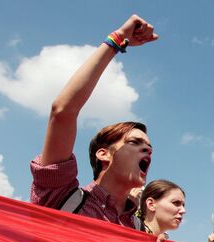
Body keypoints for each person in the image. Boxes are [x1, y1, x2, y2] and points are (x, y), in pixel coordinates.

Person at [30, 15, 158, 228]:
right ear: (103, 154)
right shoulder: (61, 197)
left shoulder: (137, 229)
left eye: (149, 148)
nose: (147, 150)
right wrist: (117, 39)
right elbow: (63, 111)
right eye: (135, 142)